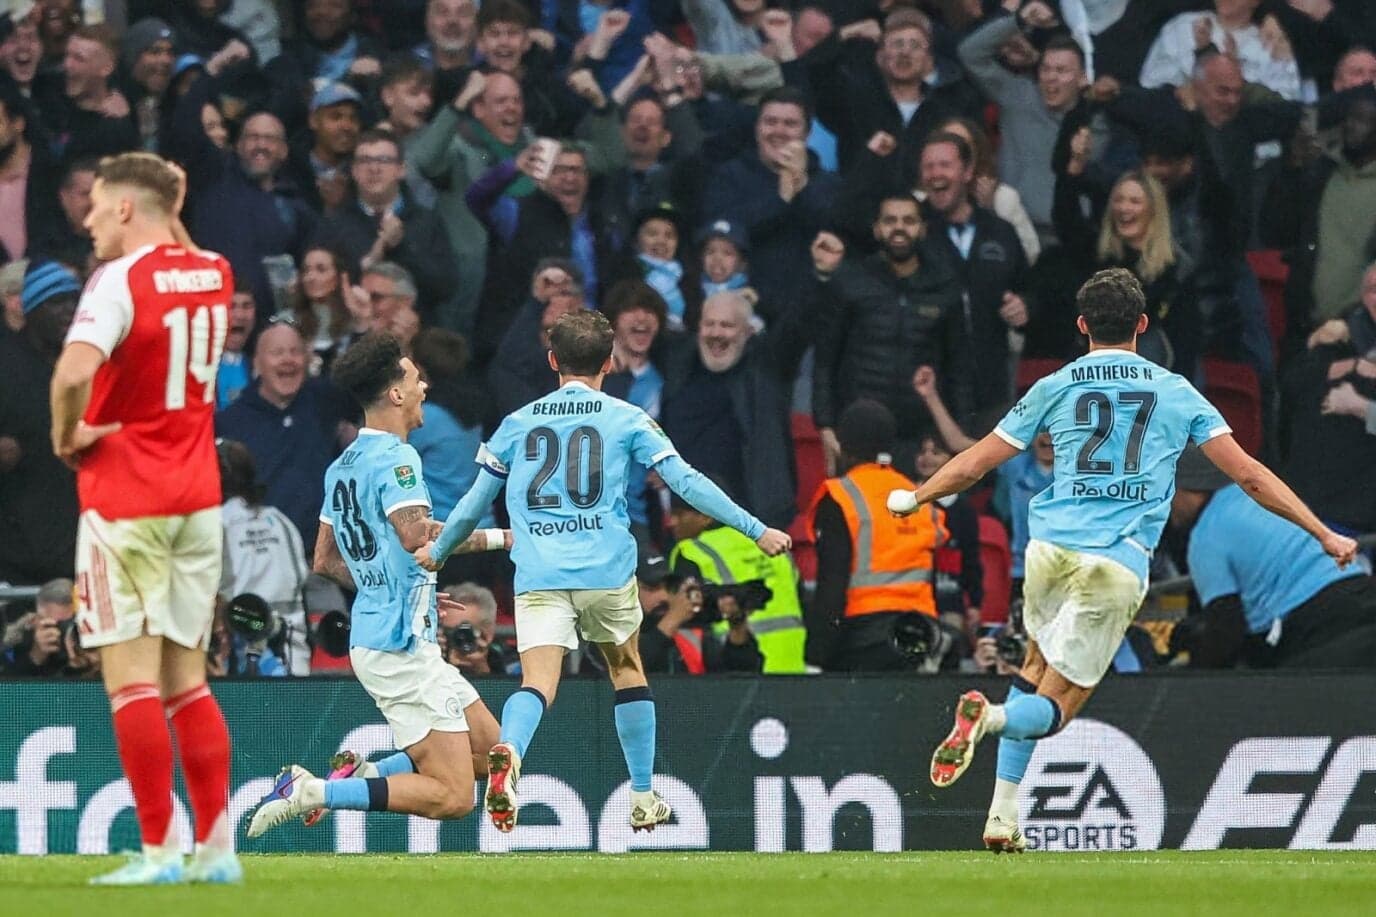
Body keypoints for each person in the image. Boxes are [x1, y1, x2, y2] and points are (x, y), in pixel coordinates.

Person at [887, 267, 1358, 853]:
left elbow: (976, 462)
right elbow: (1251, 477)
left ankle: (1001, 816)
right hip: (1113, 562)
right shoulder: (1176, 391)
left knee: (1033, 669)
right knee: (1058, 706)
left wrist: (918, 496)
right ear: (1142, 324)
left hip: (1048, 551)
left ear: (1082, 325)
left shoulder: (1055, 384)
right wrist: (1321, 533)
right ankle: (990, 719)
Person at [416, 310, 792, 833]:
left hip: (541, 573)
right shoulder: (628, 418)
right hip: (606, 574)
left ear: (552, 361)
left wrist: (440, 552)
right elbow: (685, 481)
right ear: (609, 363)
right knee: (627, 670)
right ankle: (642, 795)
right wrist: (756, 529)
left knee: (538, 682)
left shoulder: (517, 423)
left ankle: (510, 750)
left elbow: (472, 504)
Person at [49, 152, 238, 884]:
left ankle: (160, 853)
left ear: (126, 208)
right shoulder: (215, 271)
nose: (88, 220)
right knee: (188, 682)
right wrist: (170, 202)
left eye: (98, 205)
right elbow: (178, 247)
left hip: (126, 500)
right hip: (197, 501)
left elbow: (73, 371)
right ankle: (216, 853)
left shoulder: (117, 280)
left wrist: (67, 434)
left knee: (132, 685)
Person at [245, 332, 511, 838]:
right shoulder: (397, 459)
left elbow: (324, 560)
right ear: (395, 393)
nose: (424, 386)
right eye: (415, 378)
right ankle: (313, 792)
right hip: (398, 648)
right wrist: (504, 537)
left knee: (496, 753)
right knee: (456, 797)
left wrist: (401, 587)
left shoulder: (342, 464)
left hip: (384, 634)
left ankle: (363, 775)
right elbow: (417, 536)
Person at [1171, 445, 1376, 669]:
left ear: (1186, 490)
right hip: (1359, 588)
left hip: (1316, 625)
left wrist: (1194, 674)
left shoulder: (1206, 536)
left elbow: (1226, 625)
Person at [807, 398, 948, 672]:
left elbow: (832, 583)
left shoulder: (841, 496)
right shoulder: (918, 496)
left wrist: (817, 656)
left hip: (863, 638)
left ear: (843, 444)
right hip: (918, 634)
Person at [217, 439, 311, 676]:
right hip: (295, 660)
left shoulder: (215, 525)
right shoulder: (280, 520)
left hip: (237, 667)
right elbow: (302, 584)